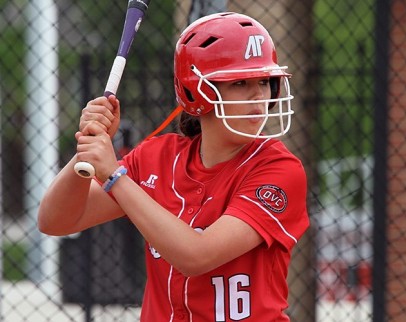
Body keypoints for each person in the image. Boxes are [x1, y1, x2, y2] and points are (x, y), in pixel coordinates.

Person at [38, 12, 309, 321]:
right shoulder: (158, 156)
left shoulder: (278, 168)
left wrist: (114, 175)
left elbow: (196, 256)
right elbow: (55, 221)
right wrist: (89, 149)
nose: (258, 95)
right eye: (239, 82)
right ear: (198, 91)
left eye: (264, 81)